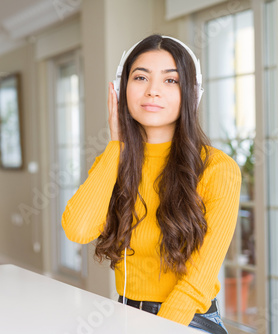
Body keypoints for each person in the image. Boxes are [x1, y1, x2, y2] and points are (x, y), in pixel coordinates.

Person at [61, 34, 241, 334]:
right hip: (124, 313)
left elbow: (198, 280)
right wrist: (117, 145)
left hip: (188, 320)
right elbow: (78, 229)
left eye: (170, 81)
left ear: (190, 93)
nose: (153, 91)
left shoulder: (217, 168)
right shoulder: (112, 162)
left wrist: (157, 328)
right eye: (141, 77)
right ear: (121, 90)